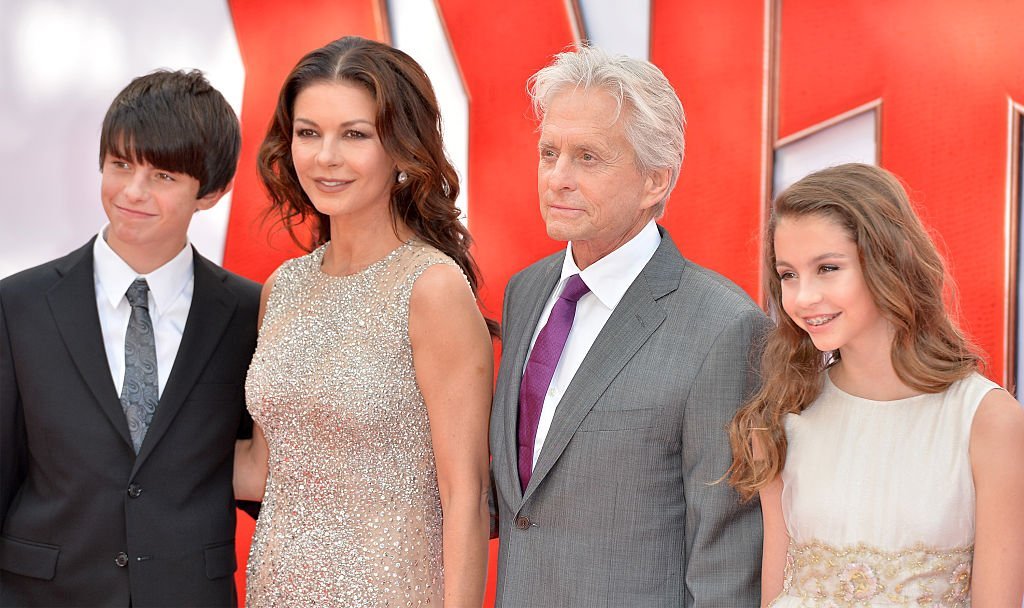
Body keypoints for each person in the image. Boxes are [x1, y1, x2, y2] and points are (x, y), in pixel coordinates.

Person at [489, 45, 769, 607]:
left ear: (654, 182)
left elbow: (725, 557)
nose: (558, 178)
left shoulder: (724, 327)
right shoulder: (526, 292)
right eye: (550, 153)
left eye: (588, 157)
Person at [232, 36, 493, 607]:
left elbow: (465, 496)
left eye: (355, 135)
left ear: (401, 149)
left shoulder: (431, 288)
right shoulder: (283, 288)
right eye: (308, 133)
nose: (326, 157)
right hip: (277, 590)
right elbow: (260, 470)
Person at [0, 70, 259, 606]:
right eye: (121, 166)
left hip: (189, 592)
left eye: (163, 176)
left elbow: (262, 476)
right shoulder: (17, 305)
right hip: (41, 593)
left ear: (211, 192)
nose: (132, 193)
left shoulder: (250, 314)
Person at [728, 163, 1024, 606]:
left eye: (828, 268)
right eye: (788, 274)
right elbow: (776, 593)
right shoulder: (783, 416)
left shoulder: (987, 420)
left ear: (890, 260)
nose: (803, 297)